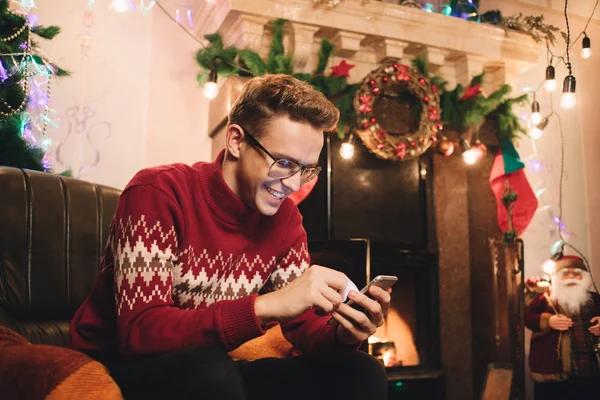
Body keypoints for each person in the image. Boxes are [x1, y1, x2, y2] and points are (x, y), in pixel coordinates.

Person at [69, 74, 390, 400]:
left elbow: (305, 330)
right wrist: (267, 306)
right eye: (284, 163)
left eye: (307, 170)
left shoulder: (286, 220)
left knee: (362, 372)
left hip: (210, 369)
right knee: (211, 370)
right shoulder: (158, 193)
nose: (295, 185)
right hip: (116, 366)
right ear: (236, 140)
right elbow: (139, 333)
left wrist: (344, 335)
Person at [524, 255, 600, 400]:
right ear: (557, 277)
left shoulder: (595, 299)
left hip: (589, 372)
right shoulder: (545, 299)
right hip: (552, 374)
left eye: (576, 274)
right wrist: (548, 321)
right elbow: (527, 316)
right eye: (565, 274)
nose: (571, 278)